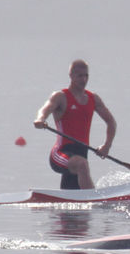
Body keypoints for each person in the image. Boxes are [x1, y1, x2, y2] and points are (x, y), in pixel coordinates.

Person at [33, 59, 117, 189]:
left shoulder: (93, 98)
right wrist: (40, 119)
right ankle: (93, 200)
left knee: (71, 198)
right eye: (80, 76)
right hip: (60, 154)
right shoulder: (60, 96)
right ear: (71, 76)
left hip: (81, 154)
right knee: (82, 165)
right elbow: (45, 109)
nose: (84, 80)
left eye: (86, 76)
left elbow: (111, 122)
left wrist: (107, 146)